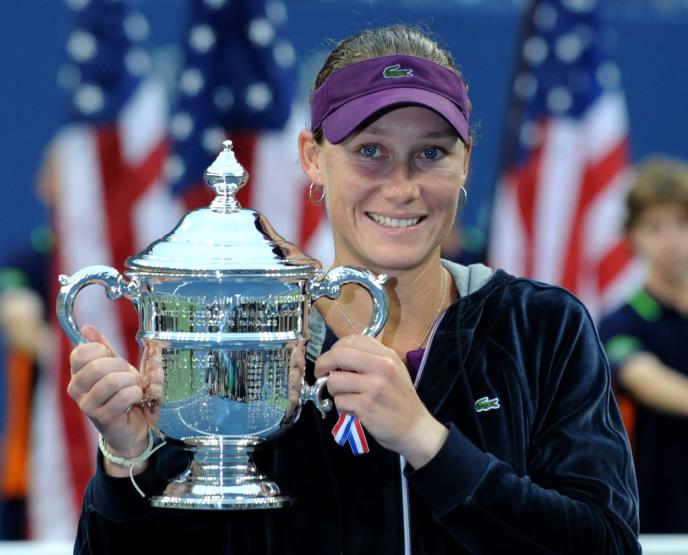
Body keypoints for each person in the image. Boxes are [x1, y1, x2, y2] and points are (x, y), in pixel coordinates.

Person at [67, 25, 640, 553]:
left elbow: (609, 544)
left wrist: (424, 439)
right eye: (370, 151)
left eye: (432, 153)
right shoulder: (247, 337)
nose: (402, 187)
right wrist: (127, 461)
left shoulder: (539, 327)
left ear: (465, 162)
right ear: (312, 158)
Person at [598, 157, 688, 534]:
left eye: (682, 223)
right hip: (660, 521)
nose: (671, 240)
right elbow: (644, 378)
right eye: (655, 227)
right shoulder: (621, 323)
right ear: (632, 236)